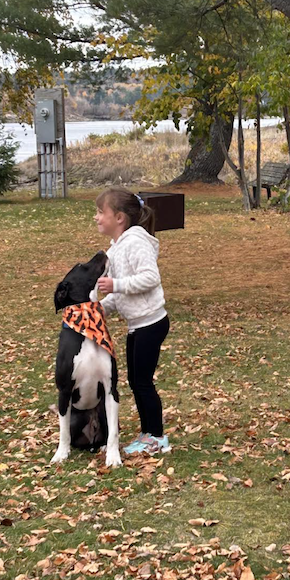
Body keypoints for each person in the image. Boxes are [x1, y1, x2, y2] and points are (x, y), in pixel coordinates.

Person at [93, 187, 170, 455]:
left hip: (152, 323)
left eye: (101, 212)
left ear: (119, 218)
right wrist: (98, 310)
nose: (96, 217)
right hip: (137, 324)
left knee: (143, 382)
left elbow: (150, 277)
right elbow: (120, 295)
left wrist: (116, 284)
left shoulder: (136, 242)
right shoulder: (116, 249)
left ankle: (157, 437)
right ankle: (147, 434)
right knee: (136, 381)